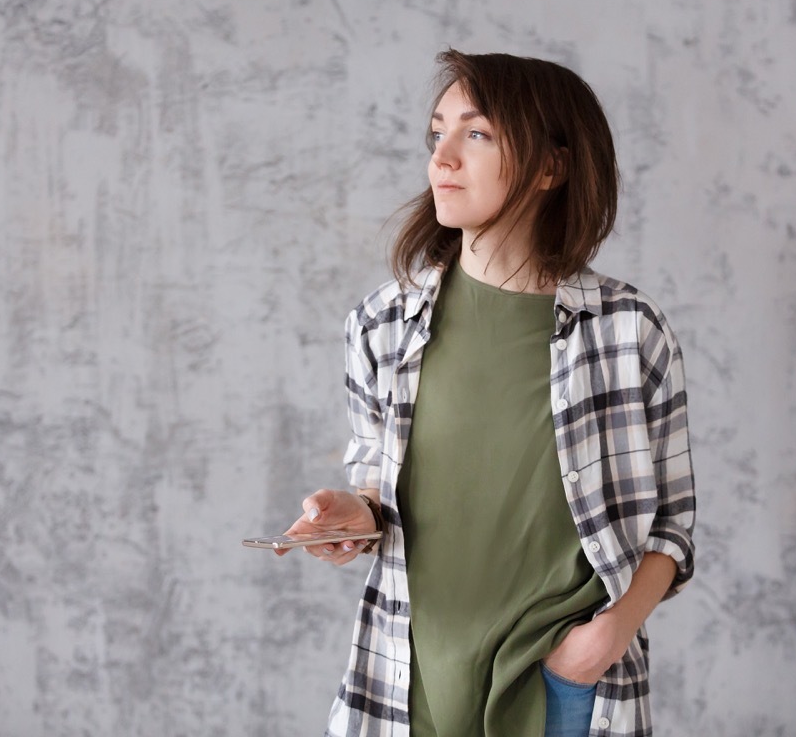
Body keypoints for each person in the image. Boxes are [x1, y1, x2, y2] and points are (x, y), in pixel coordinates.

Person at [278, 49, 696, 737]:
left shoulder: (628, 332)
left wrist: (604, 639)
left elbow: (673, 527)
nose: (442, 157)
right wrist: (349, 515)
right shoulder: (380, 325)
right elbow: (381, 496)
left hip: (562, 686)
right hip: (408, 674)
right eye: (436, 133)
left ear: (549, 167)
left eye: (476, 134)